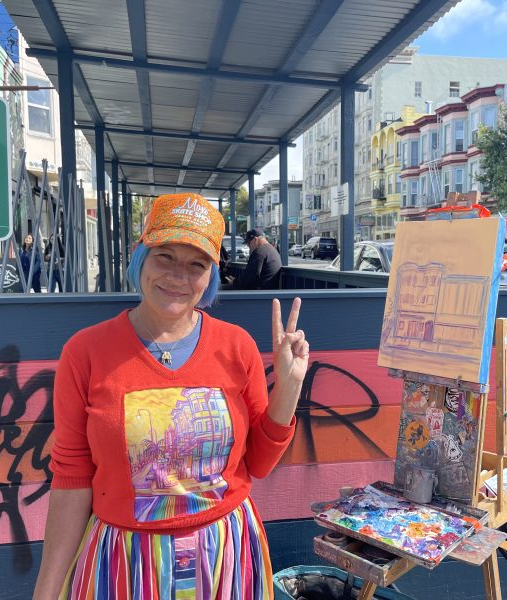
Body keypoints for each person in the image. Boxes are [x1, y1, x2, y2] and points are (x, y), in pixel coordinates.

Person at [33, 193, 309, 599]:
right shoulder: (86, 352)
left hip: (225, 557)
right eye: (164, 256)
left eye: (196, 264)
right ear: (140, 257)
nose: (178, 276)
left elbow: (260, 465)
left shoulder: (237, 346)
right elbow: (72, 480)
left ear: (211, 276)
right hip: (124, 561)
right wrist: (47, 590)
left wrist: (288, 387)